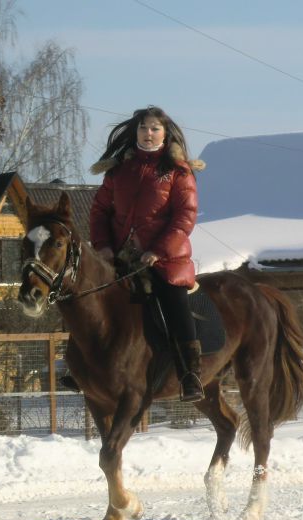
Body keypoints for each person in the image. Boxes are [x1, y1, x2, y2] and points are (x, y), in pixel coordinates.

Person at [89, 106, 206, 403]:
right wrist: (102, 245)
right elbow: (100, 210)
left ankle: (189, 373)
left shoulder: (178, 172)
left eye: (155, 128)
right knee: (88, 298)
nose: (148, 133)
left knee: (174, 302)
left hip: (166, 261)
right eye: (143, 127)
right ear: (136, 131)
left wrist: (157, 251)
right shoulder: (118, 171)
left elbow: (185, 217)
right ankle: (83, 366)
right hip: (120, 259)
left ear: (165, 134)